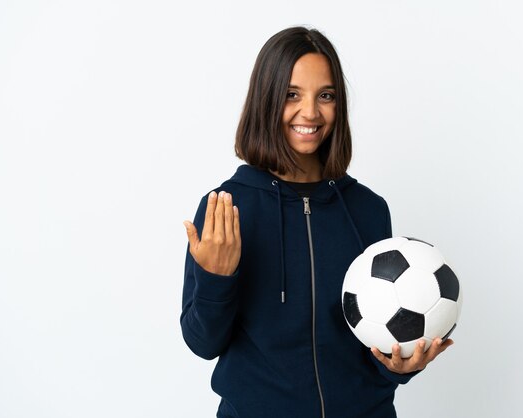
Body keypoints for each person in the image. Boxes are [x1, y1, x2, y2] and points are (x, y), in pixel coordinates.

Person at [180, 26, 453, 418]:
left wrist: (400, 365)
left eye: (325, 95)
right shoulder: (227, 208)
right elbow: (202, 342)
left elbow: (373, 339)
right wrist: (216, 279)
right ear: (266, 99)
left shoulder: (367, 209)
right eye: (292, 94)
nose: (310, 112)